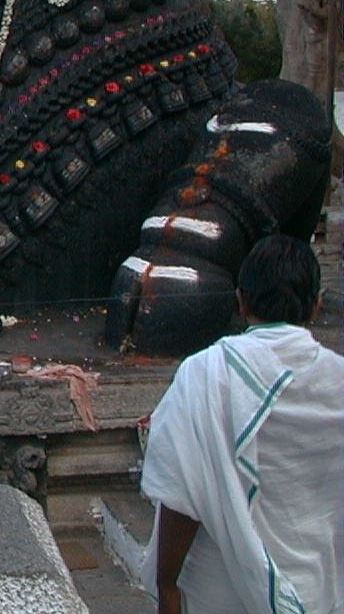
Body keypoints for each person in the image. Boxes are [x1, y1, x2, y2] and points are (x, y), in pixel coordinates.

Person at [139, 234, 344, 614]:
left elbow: (181, 493)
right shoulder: (338, 378)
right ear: (316, 305)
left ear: (241, 299)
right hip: (316, 591)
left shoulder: (207, 373)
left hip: (219, 590)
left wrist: (166, 585)